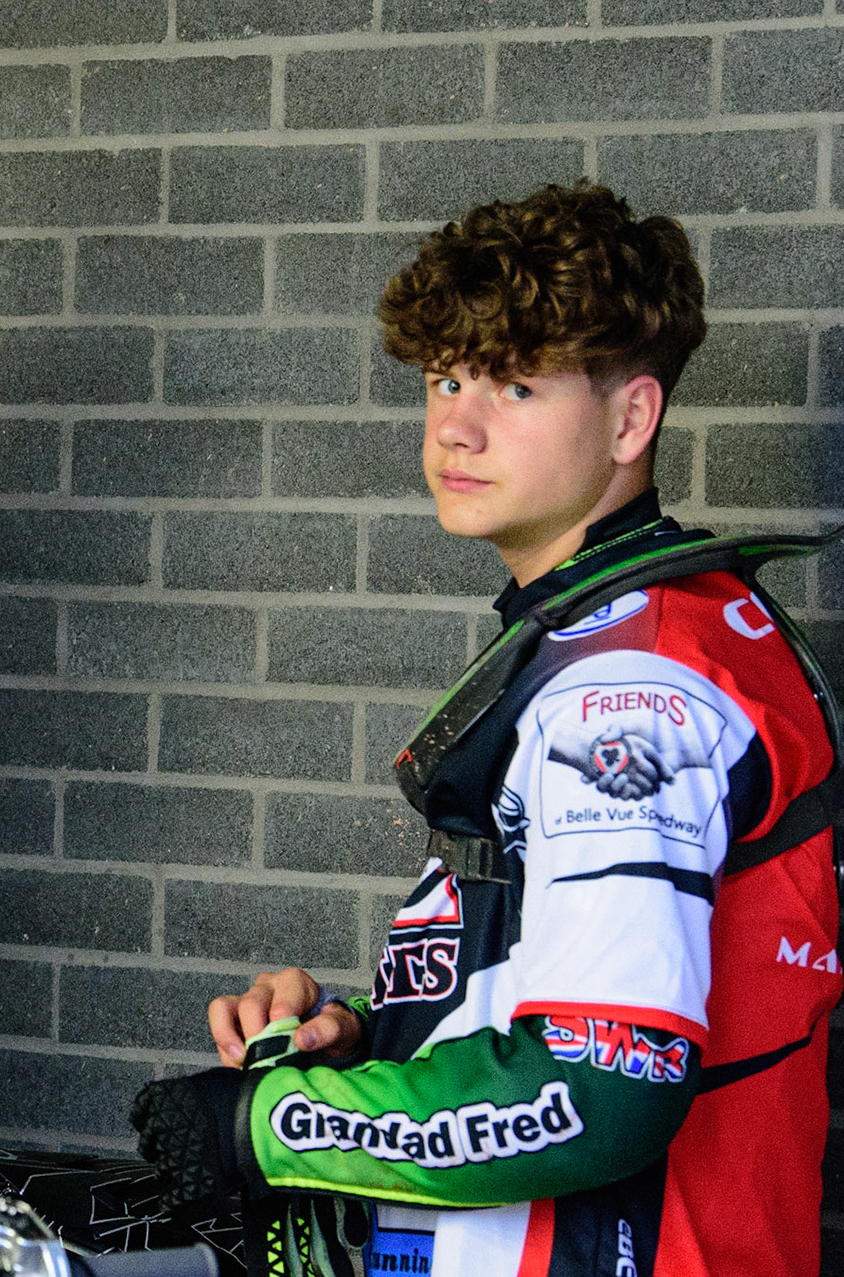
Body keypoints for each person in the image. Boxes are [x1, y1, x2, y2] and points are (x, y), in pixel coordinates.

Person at [130, 182, 841, 1276]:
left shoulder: (632, 695)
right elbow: (568, 978)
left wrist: (269, 1124)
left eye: (512, 384)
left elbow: (600, 1088)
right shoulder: (650, 627)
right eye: (445, 378)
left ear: (629, 419)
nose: (455, 424)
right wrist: (361, 1038)